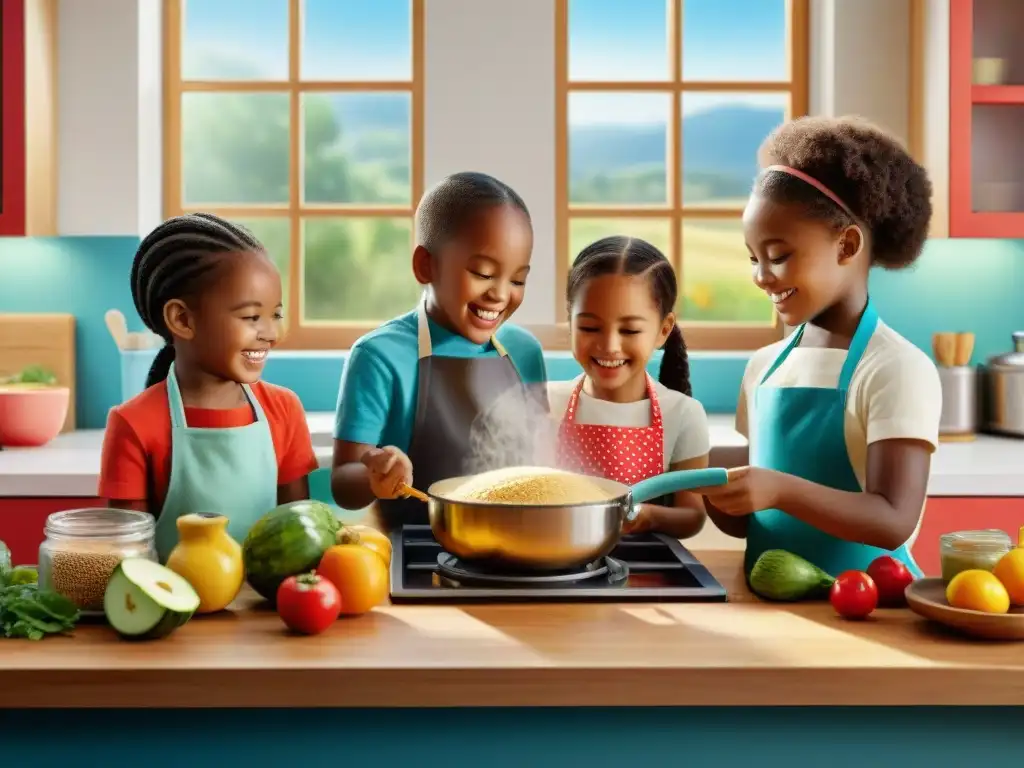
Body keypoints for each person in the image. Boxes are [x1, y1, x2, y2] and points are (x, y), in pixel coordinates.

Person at [695, 115, 940, 579]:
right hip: (772, 604)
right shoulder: (764, 367)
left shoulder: (895, 368)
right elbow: (758, 520)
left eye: (779, 255)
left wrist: (778, 490)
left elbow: (893, 520)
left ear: (847, 245)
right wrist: (714, 489)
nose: (762, 276)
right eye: (753, 258)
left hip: (871, 610)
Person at [331, 171, 548, 531]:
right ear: (425, 265)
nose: (500, 294)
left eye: (517, 280)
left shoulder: (524, 352)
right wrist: (376, 476)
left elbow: (540, 460)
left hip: (516, 547)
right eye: (482, 273)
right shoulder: (379, 356)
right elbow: (343, 483)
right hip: (414, 552)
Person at [98, 213, 318, 562]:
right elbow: (128, 560)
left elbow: (303, 539)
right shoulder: (134, 424)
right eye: (250, 317)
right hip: (173, 609)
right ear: (183, 319)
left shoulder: (284, 410)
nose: (271, 333)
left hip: (268, 609)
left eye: (275, 314)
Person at [548, 236, 710, 539]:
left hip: (645, 575)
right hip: (558, 569)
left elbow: (692, 515)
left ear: (663, 330)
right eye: (589, 327)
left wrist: (645, 516)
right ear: (570, 322)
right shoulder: (546, 403)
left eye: (630, 330)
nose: (610, 345)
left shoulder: (684, 413)